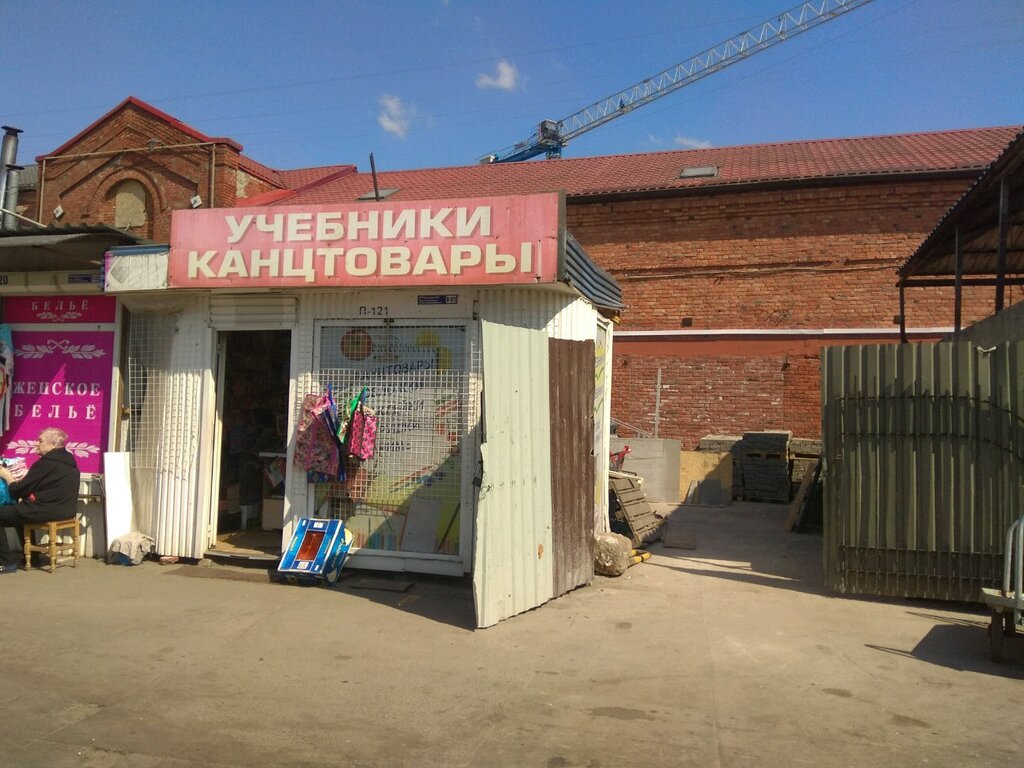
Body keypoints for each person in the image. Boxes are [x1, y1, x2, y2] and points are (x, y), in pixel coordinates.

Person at [0, 427, 81, 574]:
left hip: (46, 509)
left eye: (40, 441)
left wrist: (8, 477)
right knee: (19, 513)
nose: (36, 444)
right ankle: (33, 557)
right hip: (66, 511)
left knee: (11, 512)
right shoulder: (70, 463)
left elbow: (18, 491)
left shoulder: (46, 463)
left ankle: (6, 562)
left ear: (53, 444)